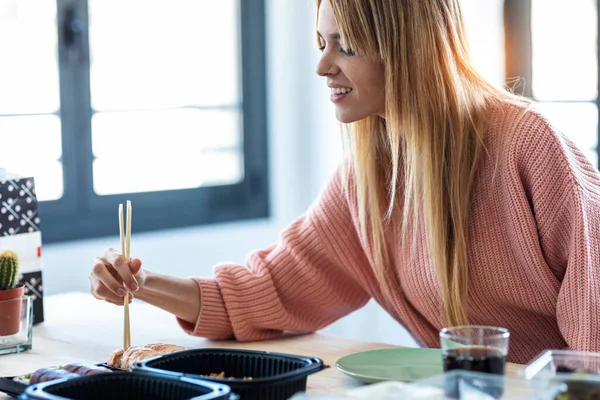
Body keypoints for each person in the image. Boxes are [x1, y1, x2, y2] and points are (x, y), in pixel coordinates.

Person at [89, 0, 600, 364]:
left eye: (345, 46)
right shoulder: (367, 179)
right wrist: (139, 283)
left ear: (407, 49)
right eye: (320, 42)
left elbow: (593, 334)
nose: (322, 65)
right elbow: (267, 292)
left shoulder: (528, 145)